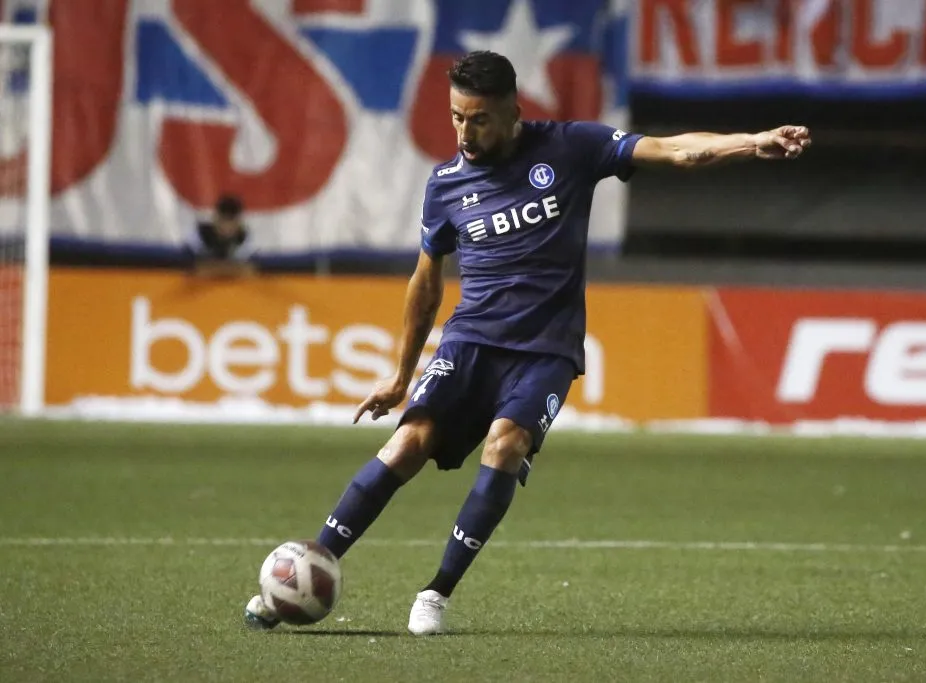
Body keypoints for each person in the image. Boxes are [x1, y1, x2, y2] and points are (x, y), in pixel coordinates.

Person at [244, 50, 811, 635]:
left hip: (546, 348)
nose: (465, 131)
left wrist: (751, 142)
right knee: (408, 441)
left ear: (514, 111)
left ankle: (436, 592)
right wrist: (399, 375)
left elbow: (673, 149)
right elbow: (426, 284)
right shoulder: (445, 185)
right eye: (457, 117)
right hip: (470, 342)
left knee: (505, 444)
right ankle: (307, 569)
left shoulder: (571, 147)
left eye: (479, 119)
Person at [186, 194, 257, 277]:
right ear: (215, 218)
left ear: (239, 222)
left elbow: (248, 270)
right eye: (223, 220)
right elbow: (193, 267)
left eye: (231, 221)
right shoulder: (200, 234)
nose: (226, 226)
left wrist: (213, 268)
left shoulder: (244, 239)